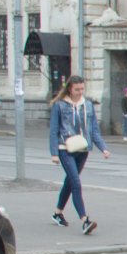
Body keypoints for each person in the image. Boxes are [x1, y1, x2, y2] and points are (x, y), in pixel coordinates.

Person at [47, 75, 111, 235]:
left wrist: (103, 148)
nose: (80, 92)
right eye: (77, 89)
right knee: (76, 182)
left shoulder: (87, 105)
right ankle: (85, 220)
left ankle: (57, 213)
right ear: (70, 88)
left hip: (83, 149)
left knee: (69, 182)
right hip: (65, 148)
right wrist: (54, 153)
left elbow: (93, 129)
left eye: (82, 89)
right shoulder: (59, 105)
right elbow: (54, 130)